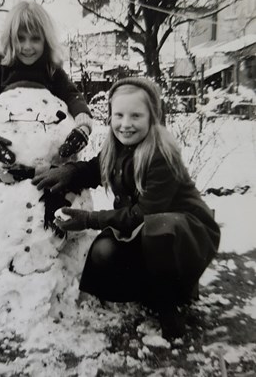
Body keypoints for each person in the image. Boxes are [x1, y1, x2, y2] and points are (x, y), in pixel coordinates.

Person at [32, 77, 220, 339]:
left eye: (136, 115)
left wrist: (88, 219)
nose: (125, 124)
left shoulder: (160, 155)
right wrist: (70, 171)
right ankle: (149, 290)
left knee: (158, 230)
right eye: (118, 115)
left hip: (185, 232)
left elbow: (143, 215)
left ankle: (169, 304)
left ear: (152, 118)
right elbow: (96, 169)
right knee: (103, 252)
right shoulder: (116, 147)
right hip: (143, 228)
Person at [0, 1, 93, 179]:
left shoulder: (51, 69)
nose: (27, 46)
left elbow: (72, 96)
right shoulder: (0, 66)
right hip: (6, 155)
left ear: (46, 40)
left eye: (35, 38)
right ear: (10, 38)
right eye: (20, 38)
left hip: (48, 162)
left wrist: (83, 127)